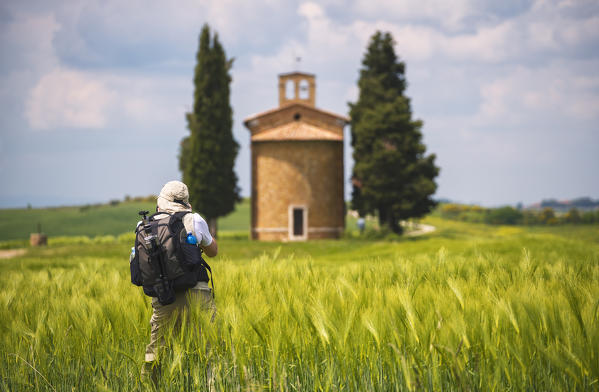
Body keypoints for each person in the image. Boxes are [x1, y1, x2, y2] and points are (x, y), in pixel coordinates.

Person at [139, 180, 218, 384]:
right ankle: (212, 386)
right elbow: (213, 251)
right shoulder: (194, 219)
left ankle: (149, 387)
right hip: (197, 292)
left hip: (164, 295)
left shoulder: (145, 226)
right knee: (209, 349)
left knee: (156, 352)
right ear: (185, 202)